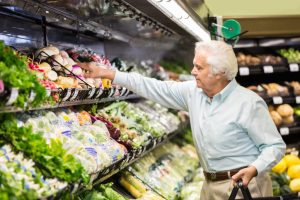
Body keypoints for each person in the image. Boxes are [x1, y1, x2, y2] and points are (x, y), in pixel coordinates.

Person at [79, 41, 286, 200]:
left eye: (199, 67)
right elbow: (153, 86)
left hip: (244, 186)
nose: (192, 72)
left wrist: (255, 168)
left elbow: (274, 146)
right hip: (209, 185)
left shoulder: (248, 103)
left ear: (219, 73)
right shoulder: (194, 92)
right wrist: (109, 73)